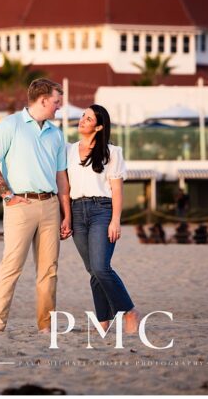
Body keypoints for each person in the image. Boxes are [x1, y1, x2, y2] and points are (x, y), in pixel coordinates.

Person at [0, 79, 69, 334]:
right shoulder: (11, 125)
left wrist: (67, 215)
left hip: (51, 206)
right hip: (20, 205)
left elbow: (61, 177)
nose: (59, 107)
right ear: (43, 100)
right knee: (11, 267)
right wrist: (7, 195)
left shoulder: (56, 133)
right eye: (56, 102)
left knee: (49, 271)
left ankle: (46, 327)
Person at [67, 104, 139, 333]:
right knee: (92, 269)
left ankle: (129, 311)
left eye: (88, 118)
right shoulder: (68, 150)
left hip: (102, 210)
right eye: (82, 116)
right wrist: (65, 217)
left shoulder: (112, 152)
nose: (82, 120)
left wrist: (115, 220)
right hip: (76, 210)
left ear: (98, 126)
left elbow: (117, 190)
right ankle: (103, 319)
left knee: (100, 267)